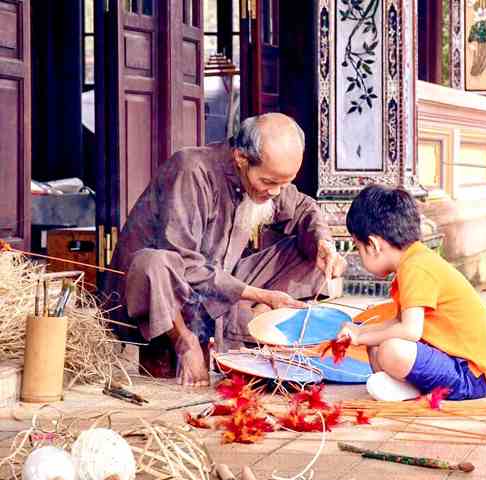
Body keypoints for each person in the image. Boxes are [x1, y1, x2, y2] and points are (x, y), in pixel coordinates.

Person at [105, 113, 347, 386]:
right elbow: (185, 263)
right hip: (164, 296)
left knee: (310, 253)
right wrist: (261, 295)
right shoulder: (192, 169)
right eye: (268, 183)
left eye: (284, 183)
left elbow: (304, 208)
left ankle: (242, 334)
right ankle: (184, 341)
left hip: (213, 292)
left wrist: (323, 243)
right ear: (241, 158)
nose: (276, 193)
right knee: (156, 262)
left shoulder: (268, 179)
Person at [334, 184, 486, 401]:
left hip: (470, 374)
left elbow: (410, 330)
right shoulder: (413, 261)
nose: (359, 254)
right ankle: (408, 388)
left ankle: (411, 389)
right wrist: (361, 332)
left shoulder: (416, 267)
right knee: (376, 344)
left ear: (372, 244)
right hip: (454, 364)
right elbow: (398, 322)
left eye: (357, 246)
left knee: (391, 349)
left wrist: (361, 336)